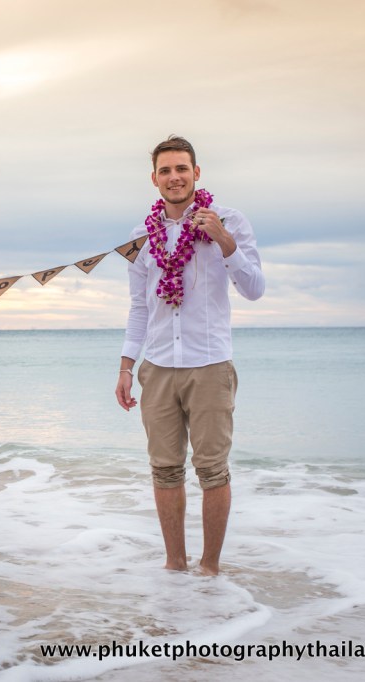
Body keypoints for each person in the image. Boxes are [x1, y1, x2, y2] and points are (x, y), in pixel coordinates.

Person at [115, 135, 265, 576]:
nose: (174, 177)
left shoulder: (230, 220)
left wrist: (223, 239)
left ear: (196, 173)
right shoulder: (141, 236)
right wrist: (126, 365)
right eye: (165, 170)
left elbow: (255, 289)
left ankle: (210, 572)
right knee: (164, 470)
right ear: (154, 179)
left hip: (210, 366)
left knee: (213, 470)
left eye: (182, 168)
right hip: (158, 367)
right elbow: (140, 307)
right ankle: (174, 570)